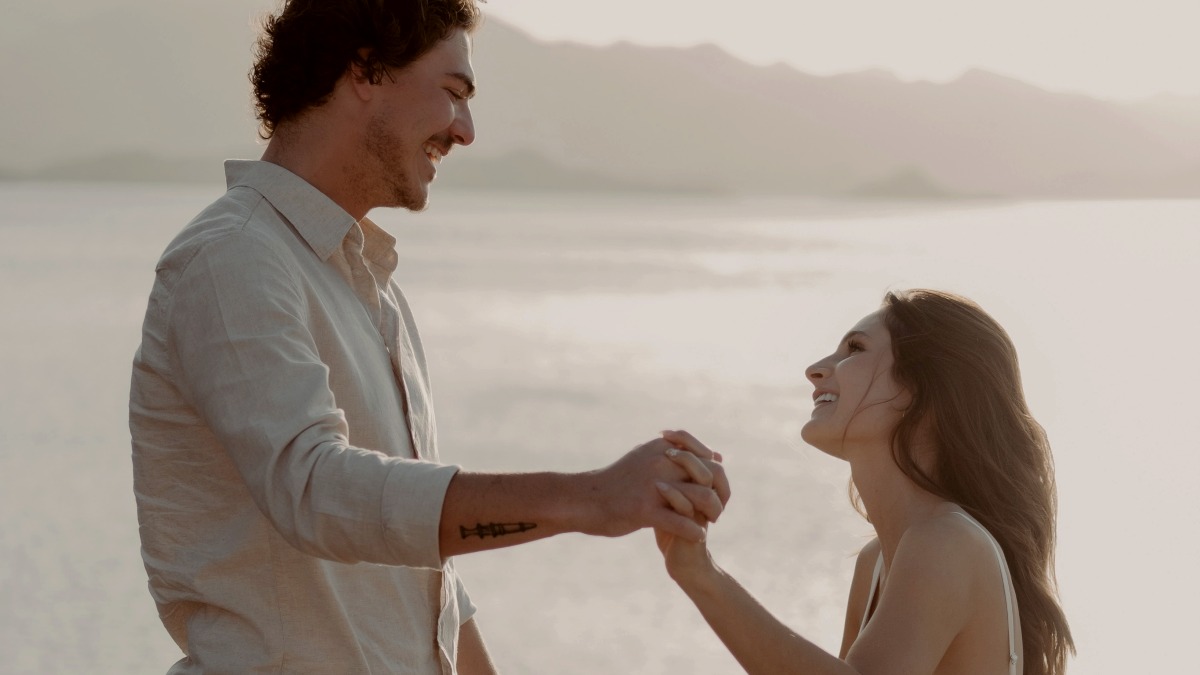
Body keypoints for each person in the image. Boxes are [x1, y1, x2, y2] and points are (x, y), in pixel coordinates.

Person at [128, 1, 728, 673]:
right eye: (453, 93)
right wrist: (589, 497)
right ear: (365, 71)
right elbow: (318, 493)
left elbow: (419, 578)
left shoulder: (374, 292)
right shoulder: (233, 258)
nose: (465, 130)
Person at [653, 289, 1075, 675]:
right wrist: (694, 569)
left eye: (854, 349)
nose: (815, 370)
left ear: (920, 389)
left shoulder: (949, 541)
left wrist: (703, 574)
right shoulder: (875, 563)